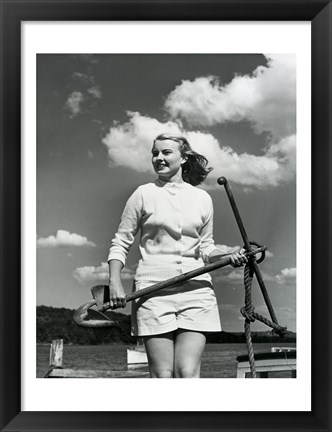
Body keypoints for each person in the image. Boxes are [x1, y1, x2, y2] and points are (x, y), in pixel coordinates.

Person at [107, 133, 247, 378]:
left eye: (166, 152)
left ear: (183, 158)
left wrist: (228, 255)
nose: (158, 158)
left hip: (197, 291)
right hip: (152, 291)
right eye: (154, 153)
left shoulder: (203, 198)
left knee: (187, 372)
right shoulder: (143, 194)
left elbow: (207, 248)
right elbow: (121, 241)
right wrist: (115, 281)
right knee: (162, 375)